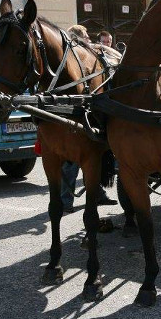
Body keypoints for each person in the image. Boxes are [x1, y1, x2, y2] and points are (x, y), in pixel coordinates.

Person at [60, 25, 117, 212]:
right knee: (72, 162)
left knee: (93, 160)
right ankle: (65, 201)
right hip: (77, 115)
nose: (89, 38)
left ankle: (98, 194)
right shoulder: (73, 56)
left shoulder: (86, 53)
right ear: (77, 37)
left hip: (91, 112)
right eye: (86, 35)